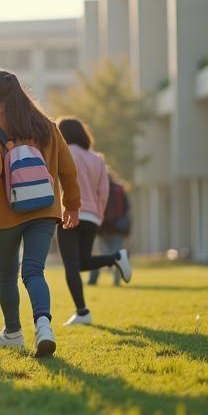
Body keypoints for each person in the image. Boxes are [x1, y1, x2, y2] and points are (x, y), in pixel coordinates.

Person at [0, 69, 79, 357]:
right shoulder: (47, 126)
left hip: (8, 213)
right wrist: (73, 205)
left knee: (7, 275)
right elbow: (68, 170)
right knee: (34, 271)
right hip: (45, 210)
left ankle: (13, 333)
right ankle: (44, 326)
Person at [55, 117, 133, 326]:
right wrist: (97, 215)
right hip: (92, 216)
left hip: (69, 213)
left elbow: (57, 184)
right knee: (81, 263)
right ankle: (115, 258)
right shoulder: (97, 159)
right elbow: (104, 192)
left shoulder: (62, 153)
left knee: (71, 266)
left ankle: (82, 312)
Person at [90, 174, 131, 287]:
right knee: (117, 255)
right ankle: (117, 281)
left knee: (100, 255)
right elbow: (126, 209)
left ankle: (93, 279)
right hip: (118, 228)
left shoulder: (98, 189)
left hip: (103, 228)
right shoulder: (120, 189)